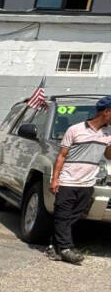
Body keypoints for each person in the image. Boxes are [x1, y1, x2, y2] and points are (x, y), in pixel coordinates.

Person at [48, 96, 111, 264]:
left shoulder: (109, 133)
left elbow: (108, 156)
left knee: (73, 216)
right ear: (106, 112)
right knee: (63, 215)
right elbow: (62, 156)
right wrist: (55, 179)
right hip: (68, 181)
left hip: (88, 182)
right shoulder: (75, 130)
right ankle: (66, 248)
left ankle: (54, 246)